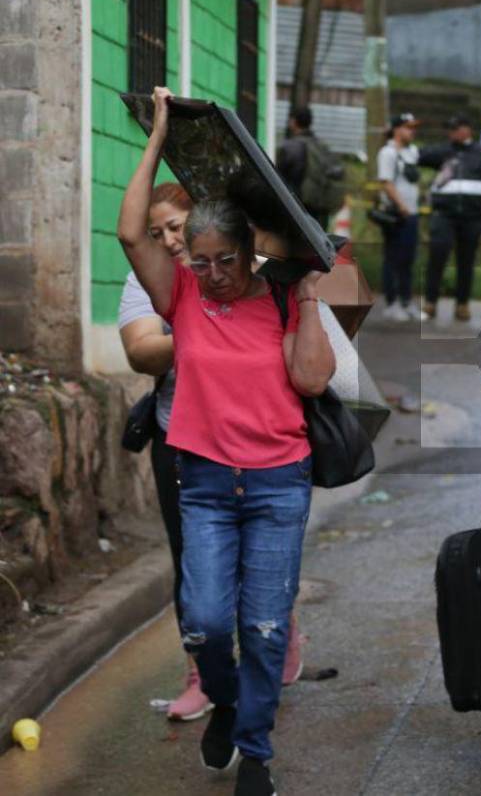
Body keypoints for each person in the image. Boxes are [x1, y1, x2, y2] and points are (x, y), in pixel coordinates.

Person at [118, 87, 335, 796]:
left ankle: (256, 753)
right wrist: (156, 136)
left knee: (265, 627)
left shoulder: (282, 298)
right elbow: (131, 234)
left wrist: (307, 292)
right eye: (200, 260)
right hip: (206, 485)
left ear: (249, 254)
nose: (210, 274)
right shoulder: (181, 295)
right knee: (208, 624)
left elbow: (312, 380)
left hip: (278, 484)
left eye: (224, 261)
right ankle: (226, 699)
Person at [417, 116, 481, 322]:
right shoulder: (443, 151)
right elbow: (418, 156)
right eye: (450, 129)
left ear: (467, 129)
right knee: (437, 255)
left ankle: (462, 304)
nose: (452, 132)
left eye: (456, 128)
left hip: (473, 216)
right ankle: (430, 302)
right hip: (444, 214)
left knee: (466, 260)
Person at [375, 113, 421, 322]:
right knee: (393, 258)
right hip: (397, 214)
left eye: (413, 127)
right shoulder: (387, 152)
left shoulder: (412, 151)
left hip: (412, 213)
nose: (412, 131)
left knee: (408, 259)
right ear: (396, 130)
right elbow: (386, 183)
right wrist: (402, 206)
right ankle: (391, 303)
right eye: (408, 127)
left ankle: (406, 300)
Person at [275, 105, 343, 230]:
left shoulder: (289, 147)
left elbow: (277, 178)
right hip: (319, 207)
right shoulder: (321, 147)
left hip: (295, 208)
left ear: (293, 122)